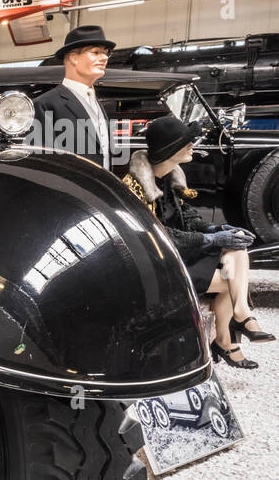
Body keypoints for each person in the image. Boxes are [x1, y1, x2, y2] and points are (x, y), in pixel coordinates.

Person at [122, 116, 273, 369]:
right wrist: (211, 238)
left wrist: (218, 229)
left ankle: (240, 317)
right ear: (170, 149)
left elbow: (188, 217)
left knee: (237, 249)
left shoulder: (169, 176)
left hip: (182, 253)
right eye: (186, 143)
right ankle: (228, 337)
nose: (193, 146)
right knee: (228, 280)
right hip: (160, 263)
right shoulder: (135, 187)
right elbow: (159, 236)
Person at [32, 24, 116, 168]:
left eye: (106, 53)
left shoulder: (96, 104)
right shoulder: (45, 104)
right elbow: (43, 165)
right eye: (96, 52)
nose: (104, 58)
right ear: (74, 58)